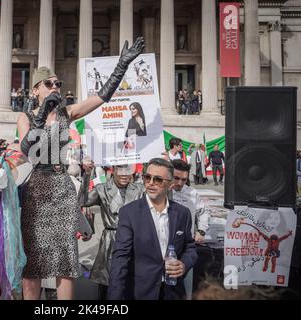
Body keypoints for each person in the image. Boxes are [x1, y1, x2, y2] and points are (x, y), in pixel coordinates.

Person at [17, 37, 145, 300]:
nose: (55, 87)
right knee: (34, 260)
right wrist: (43, 115)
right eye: (49, 84)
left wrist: (122, 65)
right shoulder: (26, 117)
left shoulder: (68, 113)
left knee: (66, 259)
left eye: (58, 84)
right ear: (35, 90)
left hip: (62, 187)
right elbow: (28, 149)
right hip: (37, 190)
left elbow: (102, 97)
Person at [108, 158, 197, 300]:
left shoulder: (182, 213)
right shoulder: (129, 213)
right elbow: (120, 259)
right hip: (141, 292)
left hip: (173, 292)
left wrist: (184, 264)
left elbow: (190, 247)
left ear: (170, 183)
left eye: (158, 179)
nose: (150, 183)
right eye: (147, 177)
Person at [79, 162, 144, 300]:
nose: (125, 174)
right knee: (109, 284)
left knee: (132, 282)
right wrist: (87, 174)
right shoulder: (102, 189)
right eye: (121, 169)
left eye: (128, 169)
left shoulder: (139, 189)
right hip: (110, 240)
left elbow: (161, 200)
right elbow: (82, 201)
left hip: (134, 241)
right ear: (113, 170)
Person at [170, 159, 209, 299]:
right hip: (163, 247)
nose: (180, 183)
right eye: (176, 178)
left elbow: (204, 212)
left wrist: (201, 230)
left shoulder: (193, 193)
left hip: (185, 247)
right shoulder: (162, 192)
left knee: (185, 291)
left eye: (184, 180)